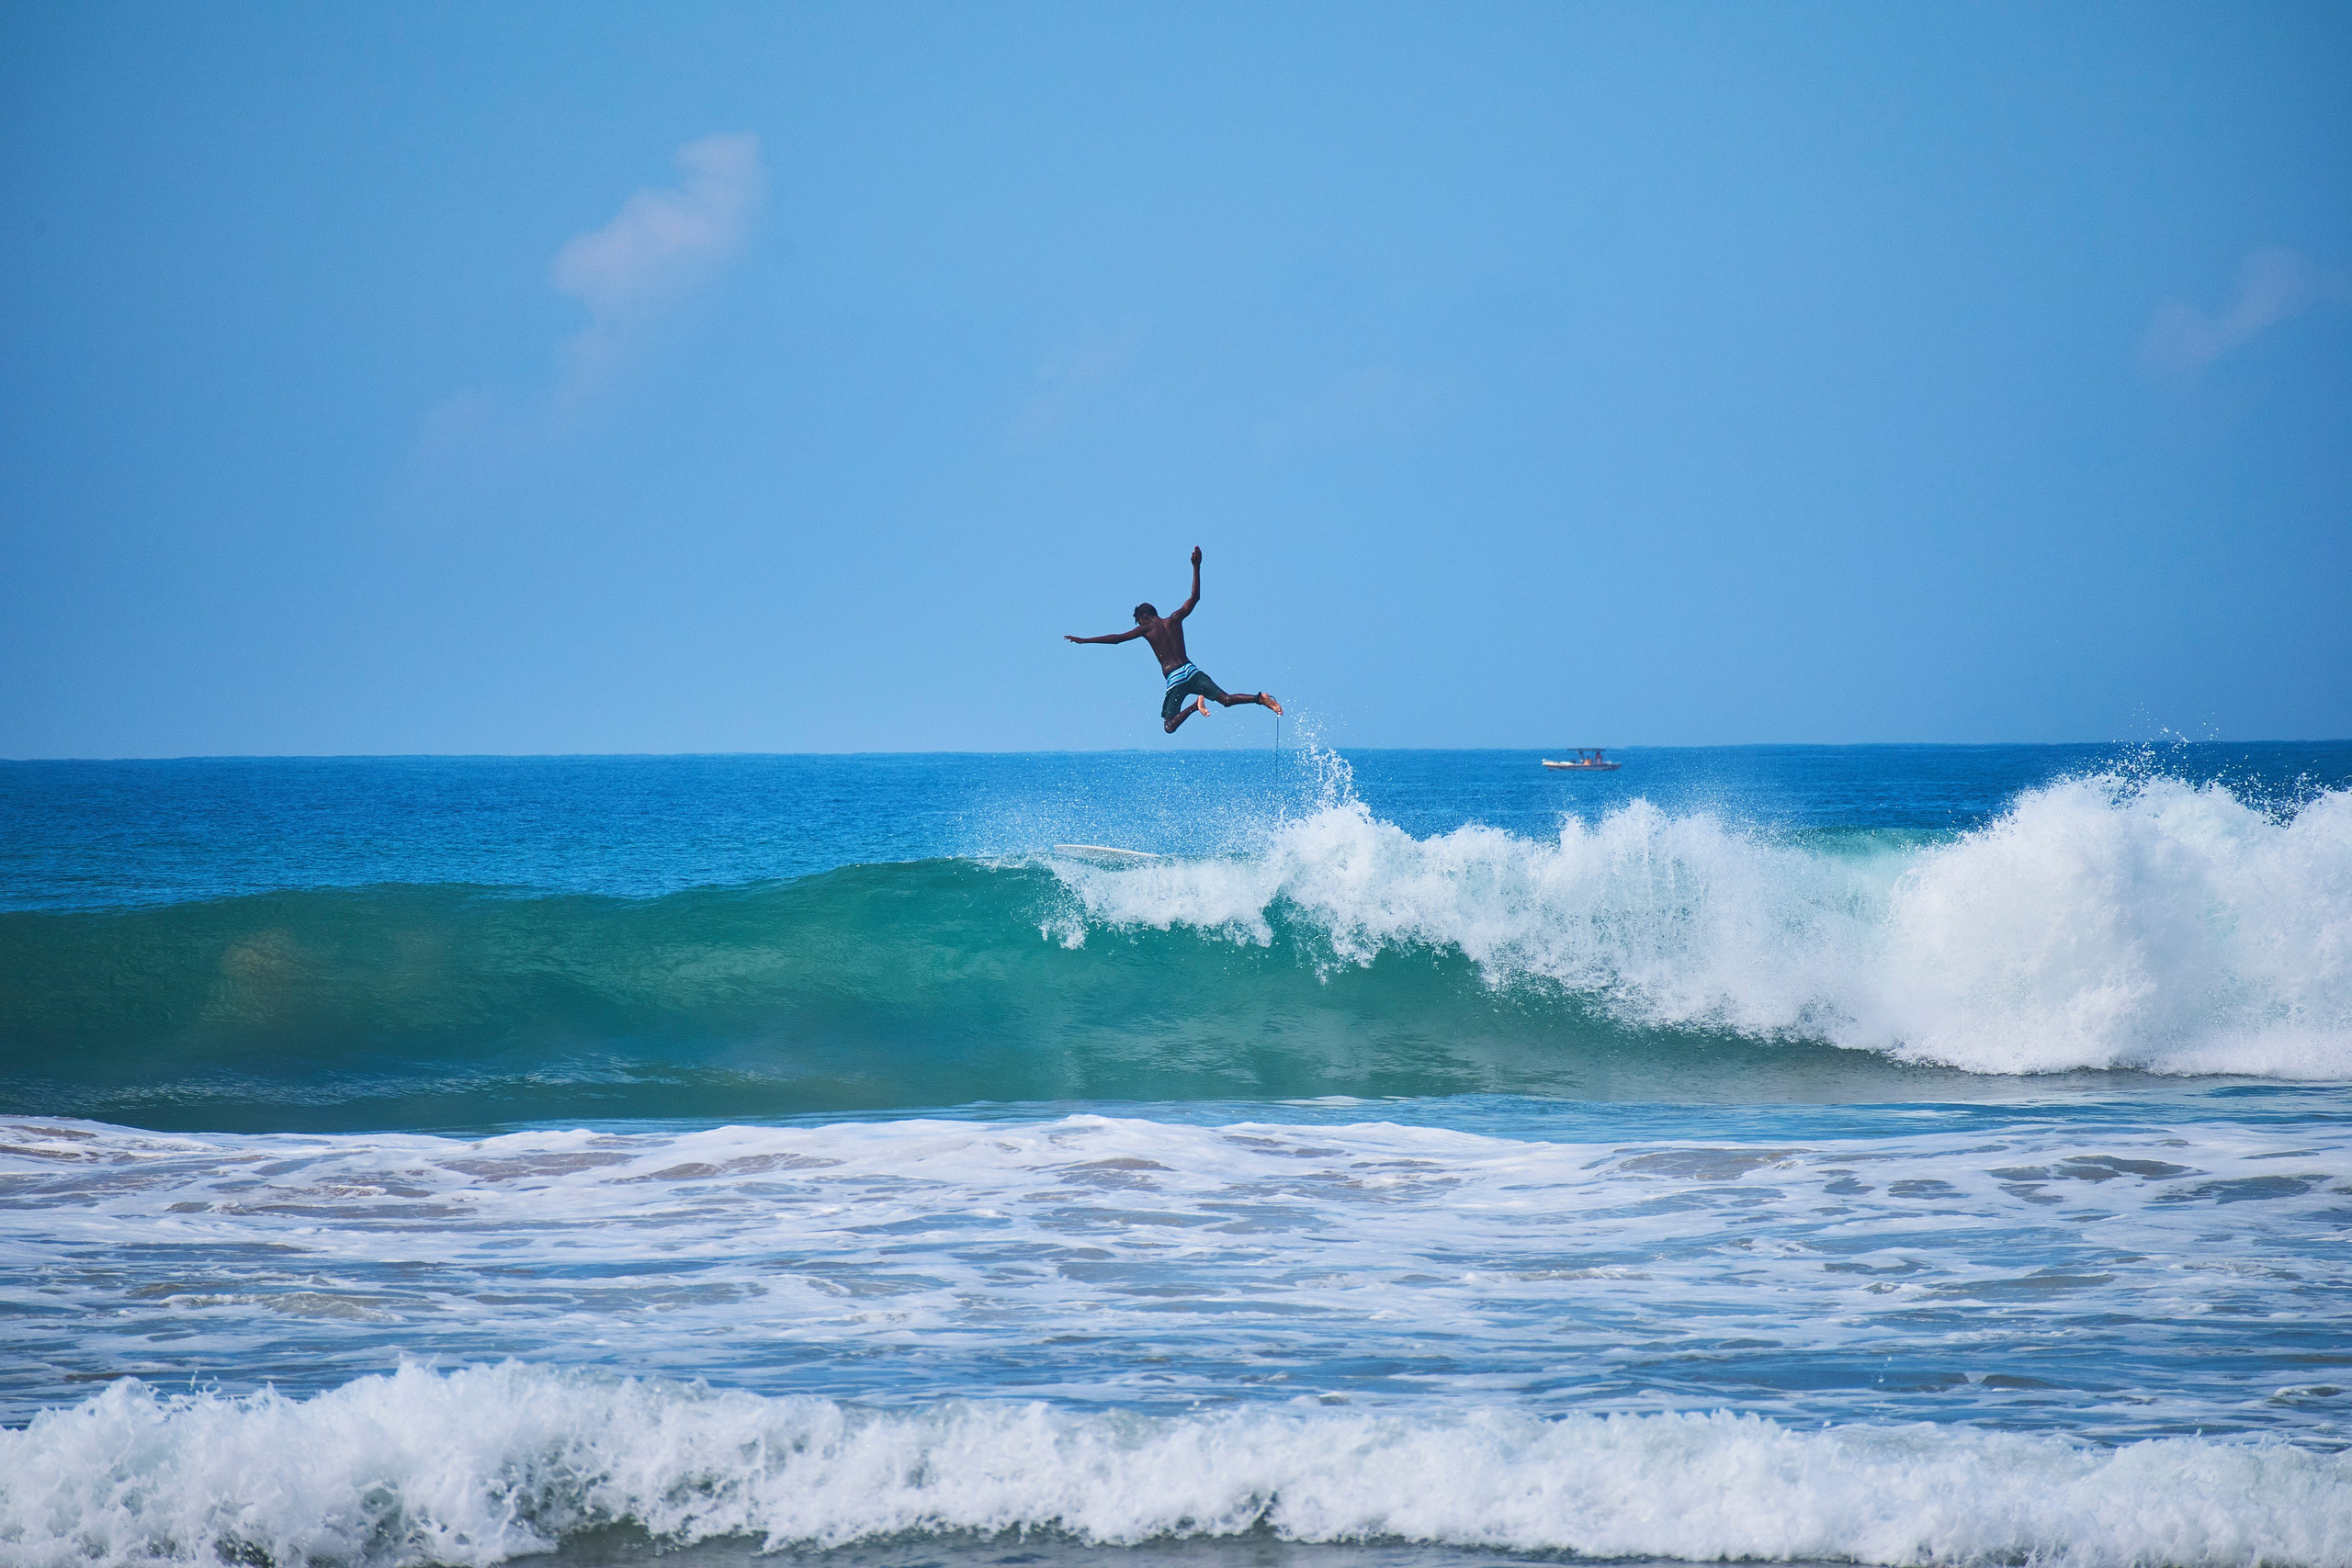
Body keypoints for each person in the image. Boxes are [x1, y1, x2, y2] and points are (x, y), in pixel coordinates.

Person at [1066, 547, 1283, 733]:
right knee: (1225, 700)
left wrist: (1085, 640)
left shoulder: (1147, 629)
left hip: (1176, 678)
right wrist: (1196, 566)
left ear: (1143, 617)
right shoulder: (1175, 619)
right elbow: (1195, 598)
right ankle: (1259, 698)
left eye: (1139, 622)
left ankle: (1194, 706)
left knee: (1169, 726)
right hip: (1192, 670)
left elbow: (1117, 639)